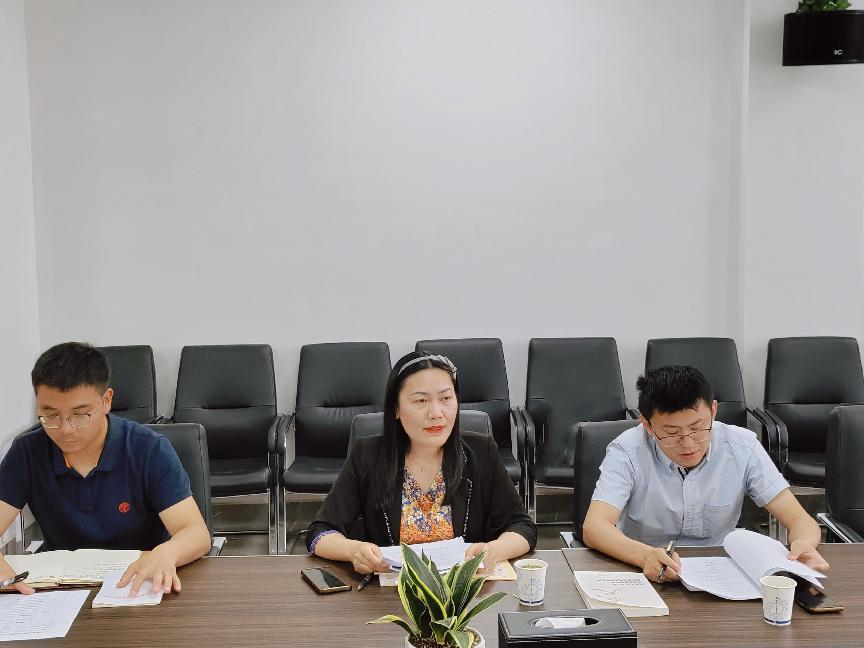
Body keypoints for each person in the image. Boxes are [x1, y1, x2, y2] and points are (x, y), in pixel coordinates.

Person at [583, 365, 829, 583]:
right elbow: (594, 527)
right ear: (647, 425)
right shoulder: (627, 450)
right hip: (642, 568)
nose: (688, 444)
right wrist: (645, 556)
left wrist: (803, 544)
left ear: (713, 410)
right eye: (671, 433)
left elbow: (799, 520)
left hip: (720, 572)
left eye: (697, 427)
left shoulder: (741, 447)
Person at [0, 342, 211, 595]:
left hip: (138, 583)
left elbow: (196, 534)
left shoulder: (148, 449)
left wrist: (168, 551)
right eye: (50, 414)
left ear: (107, 400)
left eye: (80, 415)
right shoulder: (27, 451)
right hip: (60, 590)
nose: (65, 429)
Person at [307, 351, 537, 574]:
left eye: (446, 398)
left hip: (464, 592)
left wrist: (493, 550)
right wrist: (353, 551)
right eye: (421, 400)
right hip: (392, 593)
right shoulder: (367, 455)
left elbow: (523, 526)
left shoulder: (481, 451)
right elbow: (319, 533)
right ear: (396, 408)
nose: (436, 413)